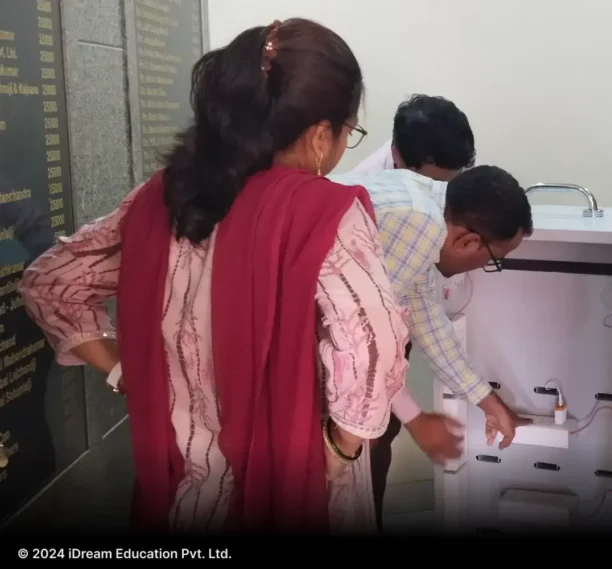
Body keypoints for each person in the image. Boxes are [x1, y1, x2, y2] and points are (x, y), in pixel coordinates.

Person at [19, 19, 412, 535]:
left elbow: (50, 281)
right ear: (320, 135)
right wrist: (338, 449)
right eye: (348, 132)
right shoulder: (326, 214)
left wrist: (127, 374)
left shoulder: (162, 198)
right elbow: (376, 343)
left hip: (180, 490)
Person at [330, 164, 533, 530]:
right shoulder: (420, 224)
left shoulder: (428, 204)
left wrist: (488, 401)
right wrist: (416, 420)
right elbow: (363, 343)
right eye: (492, 260)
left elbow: (427, 320)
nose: (485, 265)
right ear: (468, 241)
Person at [346, 94, 475, 181]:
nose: (442, 192)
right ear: (397, 157)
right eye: (434, 183)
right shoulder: (365, 186)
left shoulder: (460, 158)